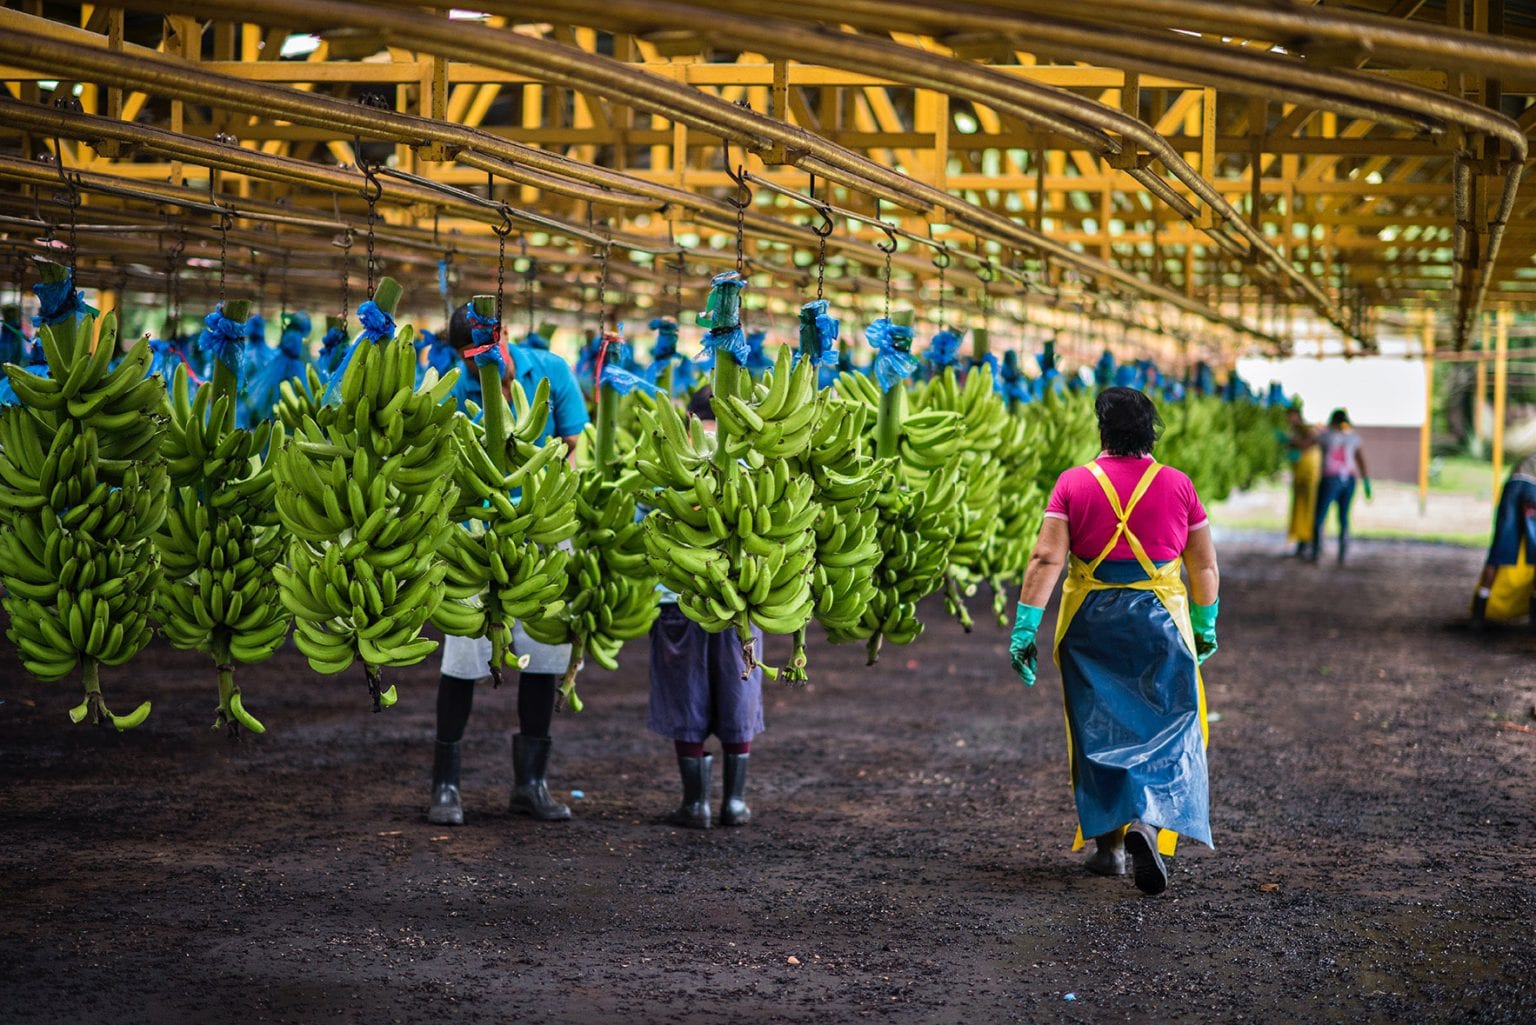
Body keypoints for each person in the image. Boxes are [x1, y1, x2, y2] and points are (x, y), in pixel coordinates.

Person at [1008, 386, 1220, 896]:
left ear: (1102, 431)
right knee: (1170, 724)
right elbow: (1204, 565)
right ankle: (1148, 824)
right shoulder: (1179, 486)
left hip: (1089, 621)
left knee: (1096, 731)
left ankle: (1110, 850)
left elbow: (1046, 560)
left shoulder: (1073, 484)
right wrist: (1206, 622)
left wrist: (1024, 627)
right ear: (1151, 431)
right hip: (1161, 620)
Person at [428, 301, 589, 827]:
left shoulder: (551, 371)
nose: (474, 367)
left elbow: (572, 446)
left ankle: (531, 784)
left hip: (540, 530)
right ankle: (446, 787)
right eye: (467, 359)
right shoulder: (452, 388)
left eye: (480, 356)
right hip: (475, 537)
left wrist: (540, 494)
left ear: (501, 339)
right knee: (462, 657)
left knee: (544, 652)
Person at [647, 385, 765, 828]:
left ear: (690, 418)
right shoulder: (754, 465)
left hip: (680, 599)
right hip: (743, 601)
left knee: (684, 698)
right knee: (740, 695)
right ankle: (734, 802)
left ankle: (695, 804)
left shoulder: (673, 462)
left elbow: (651, 524)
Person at [1470, 452, 1536, 630]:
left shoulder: (1530, 456)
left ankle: (1479, 612)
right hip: (1533, 491)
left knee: (1500, 551)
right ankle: (1534, 620)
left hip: (1513, 487)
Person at [1310, 409, 1371, 565]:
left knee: (1320, 515)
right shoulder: (1353, 438)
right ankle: (1343, 553)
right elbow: (1361, 460)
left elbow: (1308, 443)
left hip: (1330, 478)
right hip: (1349, 479)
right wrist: (1366, 481)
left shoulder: (1326, 436)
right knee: (1343, 517)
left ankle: (1316, 551)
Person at [1285, 406, 1320, 558]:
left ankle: (1313, 546)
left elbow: (1308, 443)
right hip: (1300, 476)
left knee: (1309, 511)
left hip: (1309, 476)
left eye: (1292, 416)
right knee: (1299, 511)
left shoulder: (1307, 430)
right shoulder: (1292, 431)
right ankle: (1301, 544)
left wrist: (1291, 442)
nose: (1290, 420)